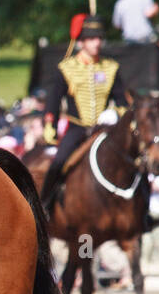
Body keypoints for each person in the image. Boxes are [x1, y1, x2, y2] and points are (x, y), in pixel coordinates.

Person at [40, 15, 129, 215]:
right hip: (78, 128)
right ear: (81, 42)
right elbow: (54, 100)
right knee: (59, 162)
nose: (97, 42)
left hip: (104, 129)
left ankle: (143, 213)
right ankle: (44, 205)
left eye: (99, 38)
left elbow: (123, 103)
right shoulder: (67, 68)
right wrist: (49, 125)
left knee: (134, 163)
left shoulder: (110, 68)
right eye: (91, 38)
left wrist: (114, 113)